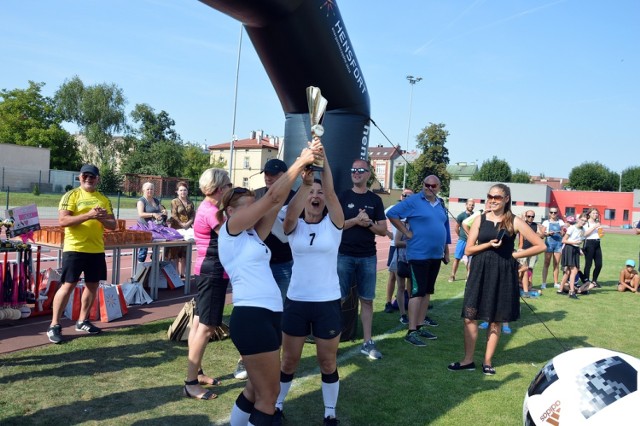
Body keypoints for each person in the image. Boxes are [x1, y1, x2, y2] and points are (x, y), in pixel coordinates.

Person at [218, 143, 317, 426]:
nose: (255, 212)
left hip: (268, 315)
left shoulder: (252, 235)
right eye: (249, 207)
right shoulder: (232, 231)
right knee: (269, 396)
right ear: (230, 213)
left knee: (255, 389)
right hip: (252, 316)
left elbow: (280, 205)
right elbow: (272, 197)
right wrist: (299, 162)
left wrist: (306, 184)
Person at [276, 150, 344, 425]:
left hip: (327, 301)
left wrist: (323, 156)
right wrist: (303, 185)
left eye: (319, 192)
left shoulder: (334, 224)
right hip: (297, 301)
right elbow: (289, 216)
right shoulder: (294, 225)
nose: (316, 195)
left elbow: (330, 190)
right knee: (288, 361)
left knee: (327, 362)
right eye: (310, 192)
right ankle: (277, 405)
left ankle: (330, 412)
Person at [448, 184, 545, 375]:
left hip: (503, 273)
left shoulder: (514, 221)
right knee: (469, 316)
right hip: (480, 270)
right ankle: (468, 360)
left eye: (497, 197)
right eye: (490, 196)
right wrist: (487, 245)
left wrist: (514, 255)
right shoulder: (480, 219)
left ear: (507, 199)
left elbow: (540, 245)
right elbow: (468, 249)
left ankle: (487, 361)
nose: (492, 200)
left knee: (495, 320)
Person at [46, 164, 117, 344]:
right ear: (79, 177)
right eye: (85, 176)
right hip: (75, 248)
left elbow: (113, 225)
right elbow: (63, 220)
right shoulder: (71, 195)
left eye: (92, 176)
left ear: (98, 179)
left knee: (92, 286)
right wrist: (89, 215)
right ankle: (54, 324)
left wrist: (100, 217)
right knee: (68, 286)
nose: (89, 179)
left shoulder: (103, 199)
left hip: (96, 249)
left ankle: (83, 321)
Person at [182, 169, 231, 401]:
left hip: (207, 270)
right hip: (212, 272)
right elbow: (233, 234)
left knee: (199, 322)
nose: (231, 188)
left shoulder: (207, 208)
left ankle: (197, 373)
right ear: (220, 188)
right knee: (207, 327)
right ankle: (191, 382)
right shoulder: (213, 212)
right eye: (229, 185)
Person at [387, 175, 451, 347]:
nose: (429, 187)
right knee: (417, 292)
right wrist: (406, 233)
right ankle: (412, 330)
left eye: (433, 185)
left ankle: (421, 325)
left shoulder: (440, 204)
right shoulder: (414, 200)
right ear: (422, 185)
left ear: (439, 187)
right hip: (418, 254)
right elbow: (392, 214)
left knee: (427, 291)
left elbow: (445, 227)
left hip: (435, 254)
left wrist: (445, 250)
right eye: (426, 184)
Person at [337, 159, 388, 359]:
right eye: (353, 170)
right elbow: (336, 225)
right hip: (344, 255)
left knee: (366, 300)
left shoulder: (375, 200)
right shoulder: (343, 197)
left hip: (368, 256)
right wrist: (356, 221)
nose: (356, 173)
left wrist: (367, 224)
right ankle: (333, 341)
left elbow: (383, 230)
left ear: (368, 174)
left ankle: (368, 342)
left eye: (360, 170)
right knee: (338, 300)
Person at [384, 189, 413, 313]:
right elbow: (379, 219)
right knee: (393, 276)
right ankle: (388, 302)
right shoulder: (393, 208)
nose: (407, 197)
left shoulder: (413, 210)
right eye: (405, 195)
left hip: (409, 249)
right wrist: (388, 233)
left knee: (410, 278)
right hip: (395, 246)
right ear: (401, 196)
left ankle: (410, 302)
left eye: (410, 196)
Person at [166, 181, 195, 278]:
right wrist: (181, 224)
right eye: (181, 190)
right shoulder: (174, 201)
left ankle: (184, 272)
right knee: (175, 251)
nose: (183, 192)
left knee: (185, 251)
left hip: (187, 229)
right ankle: (176, 273)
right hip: (177, 229)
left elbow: (193, 215)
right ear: (177, 192)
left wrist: (188, 223)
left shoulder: (190, 202)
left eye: (185, 190)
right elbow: (174, 215)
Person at [136, 181, 166, 263]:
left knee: (156, 248)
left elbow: (161, 209)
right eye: (148, 189)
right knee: (143, 249)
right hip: (144, 227)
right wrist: (153, 214)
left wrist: (163, 212)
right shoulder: (141, 201)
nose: (150, 191)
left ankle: (154, 267)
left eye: (152, 189)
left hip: (155, 228)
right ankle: (139, 268)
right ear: (143, 190)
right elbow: (141, 214)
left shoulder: (156, 200)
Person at [560, 213, 588, 299]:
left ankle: (560, 290)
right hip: (569, 248)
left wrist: (579, 249)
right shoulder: (572, 228)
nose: (583, 222)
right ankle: (571, 292)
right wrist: (574, 243)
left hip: (575, 249)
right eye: (582, 220)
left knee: (568, 271)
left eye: (585, 221)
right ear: (578, 219)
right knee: (574, 270)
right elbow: (563, 240)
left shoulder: (583, 229)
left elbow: (579, 240)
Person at [518, 210, 545, 296]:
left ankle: (529, 284)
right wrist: (520, 248)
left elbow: (541, 236)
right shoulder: (522, 224)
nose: (530, 218)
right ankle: (521, 284)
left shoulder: (535, 225)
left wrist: (537, 233)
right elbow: (522, 237)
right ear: (526, 216)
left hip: (533, 249)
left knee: (530, 268)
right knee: (522, 268)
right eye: (529, 216)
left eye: (532, 216)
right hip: (523, 249)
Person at [449, 199, 475, 282]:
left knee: (470, 260)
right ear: (466, 205)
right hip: (462, 240)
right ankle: (452, 275)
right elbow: (456, 227)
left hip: (471, 241)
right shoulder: (461, 216)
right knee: (457, 258)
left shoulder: (475, 216)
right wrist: (460, 236)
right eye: (470, 204)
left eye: (472, 205)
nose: (471, 206)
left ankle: (468, 276)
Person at [541, 208, 566, 289]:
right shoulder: (546, 222)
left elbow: (564, 232)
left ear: (557, 213)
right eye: (551, 212)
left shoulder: (561, 222)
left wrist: (562, 232)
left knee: (556, 264)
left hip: (558, 244)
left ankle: (555, 282)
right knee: (546, 263)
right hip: (549, 243)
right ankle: (544, 283)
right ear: (549, 213)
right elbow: (542, 233)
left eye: (555, 212)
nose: (553, 214)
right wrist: (548, 234)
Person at [583, 208, 604, 287]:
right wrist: (595, 227)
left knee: (599, 264)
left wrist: (601, 233)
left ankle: (594, 280)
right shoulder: (586, 223)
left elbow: (600, 234)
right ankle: (586, 281)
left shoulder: (597, 223)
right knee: (588, 264)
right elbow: (585, 234)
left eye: (596, 213)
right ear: (589, 214)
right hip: (589, 243)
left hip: (597, 243)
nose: (595, 215)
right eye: (594, 213)